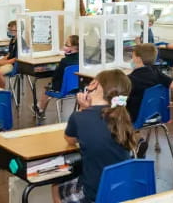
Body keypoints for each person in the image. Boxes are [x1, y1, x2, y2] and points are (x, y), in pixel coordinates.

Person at [52, 69, 137, 203]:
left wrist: (82, 109)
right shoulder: (123, 118)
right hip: (122, 191)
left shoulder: (79, 117)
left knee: (56, 185)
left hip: (92, 195)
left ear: (94, 84)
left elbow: (70, 139)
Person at [127, 43, 173, 123]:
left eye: (133, 55)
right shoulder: (157, 72)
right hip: (156, 115)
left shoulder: (131, 79)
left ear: (138, 59)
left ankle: (133, 134)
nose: (132, 57)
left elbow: (122, 98)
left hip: (137, 118)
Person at [37, 35, 79, 119]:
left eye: (67, 45)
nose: (64, 46)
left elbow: (56, 76)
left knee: (46, 88)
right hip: (77, 88)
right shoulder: (82, 60)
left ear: (74, 47)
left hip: (62, 90)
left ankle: (40, 110)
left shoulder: (64, 61)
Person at [0, 20, 18, 88]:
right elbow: (9, 54)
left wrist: (3, 62)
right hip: (9, 63)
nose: (9, 32)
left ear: (18, 30)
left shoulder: (20, 42)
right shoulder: (12, 40)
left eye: (11, 30)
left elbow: (15, 59)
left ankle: (2, 91)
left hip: (13, 66)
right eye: (9, 29)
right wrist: (0, 61)